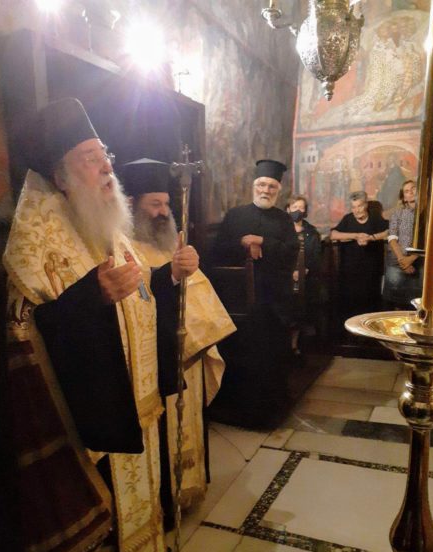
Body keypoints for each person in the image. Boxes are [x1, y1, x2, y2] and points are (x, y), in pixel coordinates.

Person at [2, 98, 199, 552]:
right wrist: (90, 299)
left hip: (137, 413)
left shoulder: (108, 229)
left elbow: (140, 302)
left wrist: (169, 280)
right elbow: (24, 339)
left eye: (104, 154)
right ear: (61, 176)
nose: (107, 167)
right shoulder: (34, 244)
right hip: (89, 432)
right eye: (91, 159)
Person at [122, 158, 235, 519]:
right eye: (154, 204)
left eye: (166, 204)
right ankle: (166, 500)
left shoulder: (172, 242)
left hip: (189, 355)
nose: (163, 212)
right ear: (131, 205)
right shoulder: (123, 248)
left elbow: (198, 293)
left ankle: (189, 487)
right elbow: (136, 302)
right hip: (158, 361)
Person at [210, 159, 298, 429]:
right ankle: (237, 410)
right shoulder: (235, 216)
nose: (265, 190)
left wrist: (262, 242)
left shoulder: (284, 220)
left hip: (273, 302)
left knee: (270, 356)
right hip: (240, 302)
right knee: (241, 353)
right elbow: (217, 250)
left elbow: (291, 253)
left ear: (278, 190)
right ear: (253, 186)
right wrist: (242, 242)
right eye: (261, 184)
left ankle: (271, 409)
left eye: (271, 186)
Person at [331, 190, 388, 323]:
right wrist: (356, 235)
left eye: (360, 206)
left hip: (371, 271)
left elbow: (389, 231)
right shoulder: (348, 219)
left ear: (366, 205)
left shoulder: (375, 218)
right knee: (350, 306)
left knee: (370, 306)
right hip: (350, 271)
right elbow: (333, 234)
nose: (356, 210)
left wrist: (371, 238)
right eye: (354, 207)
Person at [286, 195, 322, 354]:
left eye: (301, 208)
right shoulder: (281, 230)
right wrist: (290, 271)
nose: (298, 211)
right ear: (288, 209)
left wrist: (304, 269)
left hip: (306, 278)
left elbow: (315, 254)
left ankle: (296, 345)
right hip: (284, 277)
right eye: (295, 208)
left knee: (301, 309)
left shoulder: (311, 232)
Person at [382, 180, 423, 309]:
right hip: (397, 262)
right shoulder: (397, 214)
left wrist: (411, 259)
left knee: (417, 302)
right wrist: (402, 260)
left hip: (420, 262)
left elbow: (430, 240)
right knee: (395, 301)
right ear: (404, 197)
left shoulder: (429, 214)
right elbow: (392, 237)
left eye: (413, 188)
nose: (411, 192)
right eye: (406, 191)